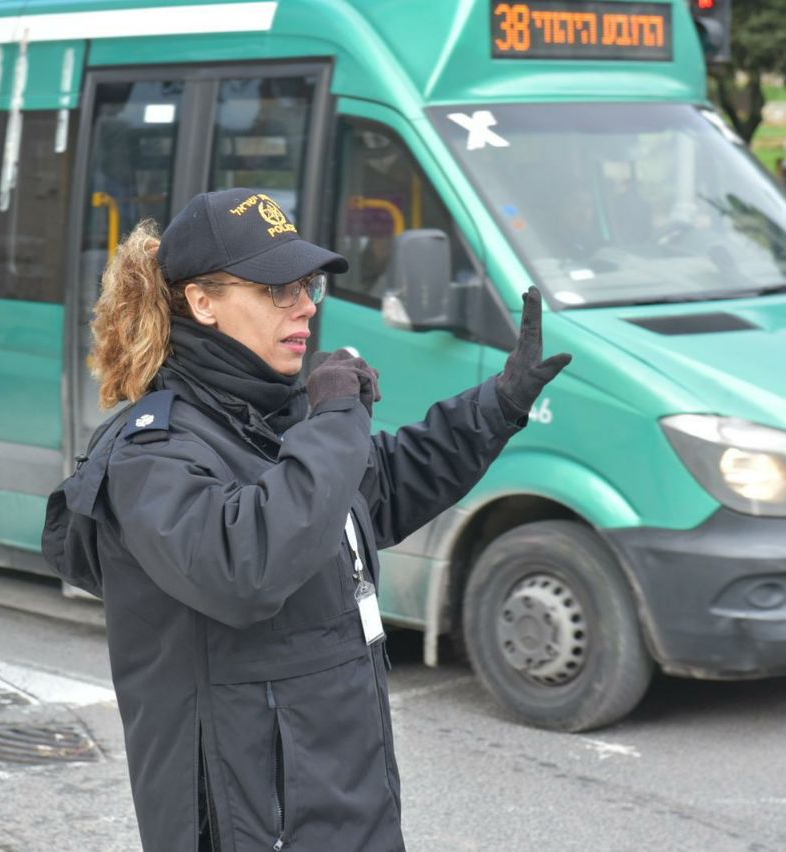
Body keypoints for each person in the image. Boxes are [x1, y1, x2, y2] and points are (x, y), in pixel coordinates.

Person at [43, 187, 570, 852]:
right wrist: (338, 417)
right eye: (274, 290)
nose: (302, 307)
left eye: (307, 286)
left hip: (347, 805)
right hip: (254, 825)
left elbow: (373, 495)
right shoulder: (154, 452)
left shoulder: (277, 417)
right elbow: (248, 564)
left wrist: (497, 405)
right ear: (201, 302)